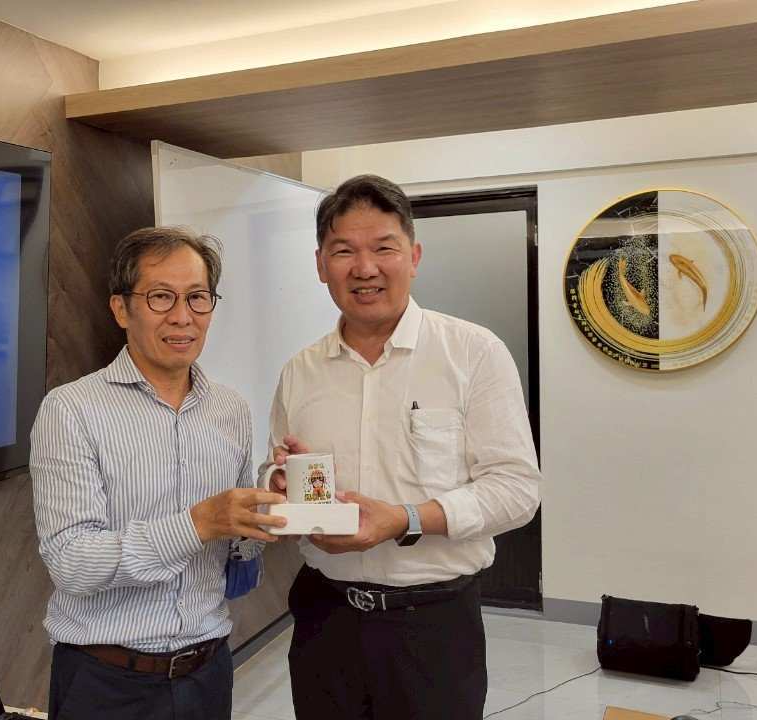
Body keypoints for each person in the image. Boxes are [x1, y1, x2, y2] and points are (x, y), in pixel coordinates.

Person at [265, 175, 542, 720]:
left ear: (413, 256)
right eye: (344, 251)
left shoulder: (473, 352)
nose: (364, 268)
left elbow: (517, 491)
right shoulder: (300, 371)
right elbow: (280, 469)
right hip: (325, 621)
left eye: (383, 248)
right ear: (320, 264)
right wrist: (279, 486)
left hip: (433, 627)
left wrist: (403, 519)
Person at [30, 227, 286, 720]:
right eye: (161, 297)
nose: (183, 316)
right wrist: (197, 524)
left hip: (209, 670)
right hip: (106, 681)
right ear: (121, 309)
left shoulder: (230, 409)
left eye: (198, 297)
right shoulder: (71, 410)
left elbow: (236, 560)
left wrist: (262, 513)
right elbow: (71, 562)